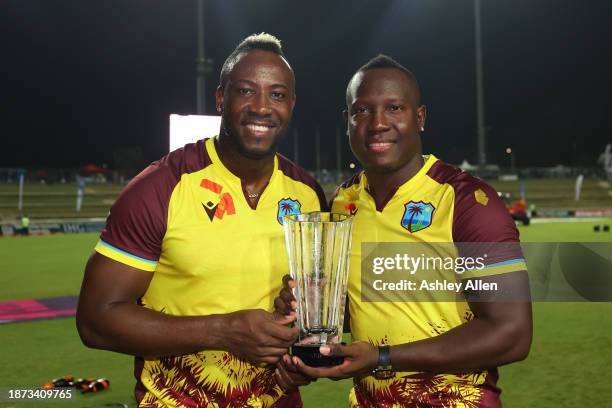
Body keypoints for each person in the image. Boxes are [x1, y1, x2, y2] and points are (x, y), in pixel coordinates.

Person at [76, 33, 326, 407]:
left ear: (291, 104)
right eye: (246, 91)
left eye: (277, 95)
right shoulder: (161, 187)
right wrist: (222, 331)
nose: (262, 107)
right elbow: (95, 320)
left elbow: (305, 310)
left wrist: (298, 347)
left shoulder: (307, 194)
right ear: (221, 98)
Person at [275, 55, 532, 407]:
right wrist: (307, 311)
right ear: (347, 122)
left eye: (394, 108)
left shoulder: (467, 201)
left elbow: (512, 333)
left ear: (420, 117)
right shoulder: (343, 204)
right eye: (362, 111)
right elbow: (360, 309)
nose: (377, 123)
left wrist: (383, 357)